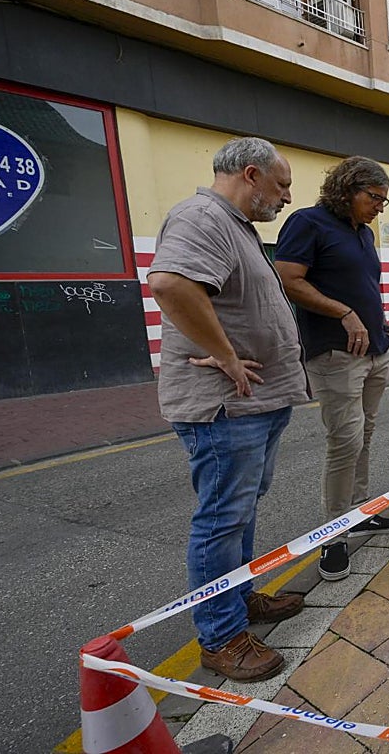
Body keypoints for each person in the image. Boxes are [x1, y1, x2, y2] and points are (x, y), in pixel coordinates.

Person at [148, 137, 309, 682]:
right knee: (221, 519)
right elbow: (170, 284)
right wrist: (225, 356)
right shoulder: (202, 217)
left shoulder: (234, 225)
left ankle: (237, 599)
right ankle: (220, 636)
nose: (287, 197)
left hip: (253, 404)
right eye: (282, 185)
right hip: (226, 408)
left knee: (239, 512)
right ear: (251, 174)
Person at [274, 157, 389, 584]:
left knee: (364, 434)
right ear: (348, 189)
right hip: (335, 353)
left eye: (384, 201)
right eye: (375, 198)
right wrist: (345, 313)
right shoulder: (308, 223)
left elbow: (364, 285)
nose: (379, 207)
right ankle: (333, 534)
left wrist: (379, 324)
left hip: (376, 350)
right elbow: (288, 279)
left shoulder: (363, 233)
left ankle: (360, 511)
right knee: (344, 441)